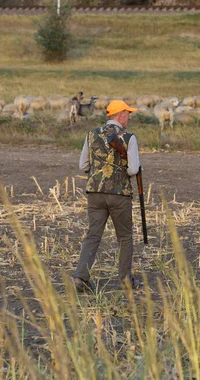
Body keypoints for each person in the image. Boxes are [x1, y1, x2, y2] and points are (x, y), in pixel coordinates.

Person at [73, 100, 142, 292]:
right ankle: (126, 280)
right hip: (119, 195)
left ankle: (80, 276)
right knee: (125, 237)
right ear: (120, 115)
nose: (129, 117)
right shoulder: (129, 137)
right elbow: (133, 169)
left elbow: (83, 166)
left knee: (93, 236)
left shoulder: (91, 134)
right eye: (128, 113)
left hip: (95, 194)